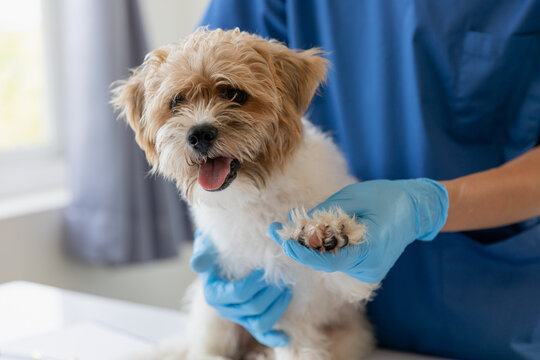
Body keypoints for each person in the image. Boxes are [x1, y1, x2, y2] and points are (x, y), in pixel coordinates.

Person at [189, 1, 540, 359]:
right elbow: (202, 73)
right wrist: (223, 224)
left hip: (502, 311)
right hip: (335, 321)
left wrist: (427, 206)